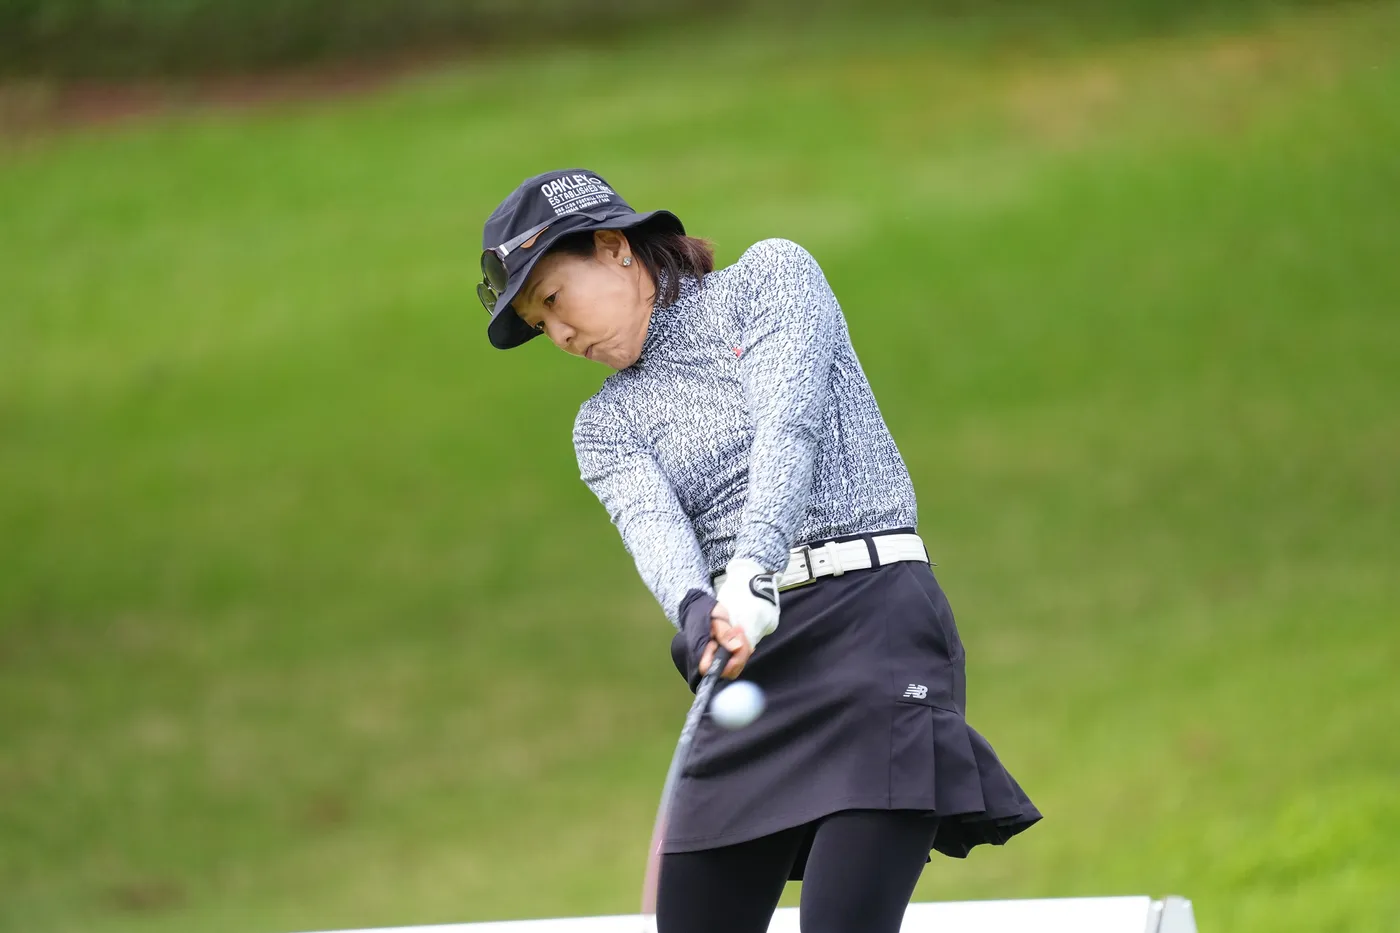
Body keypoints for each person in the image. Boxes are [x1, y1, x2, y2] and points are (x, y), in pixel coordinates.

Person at [477, 169, 1040, 933]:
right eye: (541, 326)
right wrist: (695, 610)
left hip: (871, 629)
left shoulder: (771, 277)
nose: (561, 336)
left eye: (553, 299)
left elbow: (788, 426)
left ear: (613, 248)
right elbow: (655, 531)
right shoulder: (604, 426)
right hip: (751, 660)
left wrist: (752, 566)